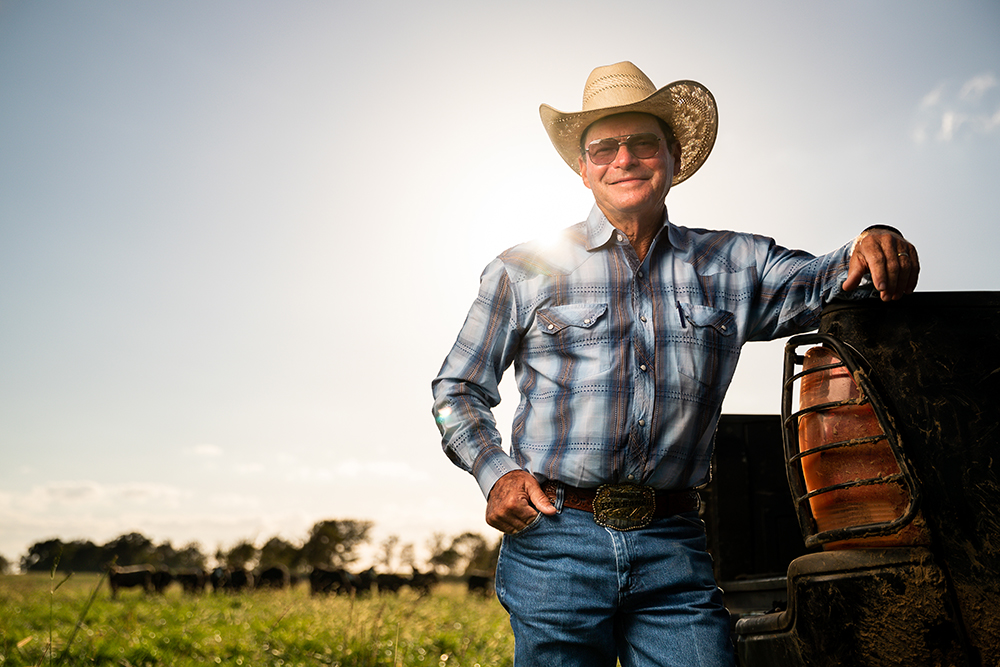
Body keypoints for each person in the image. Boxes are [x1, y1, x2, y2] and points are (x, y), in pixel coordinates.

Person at [431, 61, 919, 666]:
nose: (624, 158)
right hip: (556, 537)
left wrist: (873, 240)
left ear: (672, 156)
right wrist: (496, 472)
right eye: (604, 147)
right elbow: (457, 389)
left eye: (642, 143)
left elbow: (837, 281)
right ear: (584, 170)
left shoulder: (736, 263)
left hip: (673, 540)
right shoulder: (524, 268)